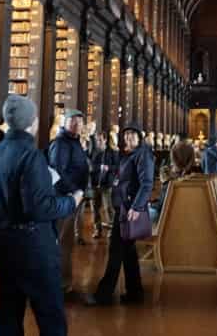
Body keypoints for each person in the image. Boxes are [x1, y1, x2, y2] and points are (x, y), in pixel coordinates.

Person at [0, 95, 83, 336]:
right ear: (33, 123)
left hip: (4, 245)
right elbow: (41, 208)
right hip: (34, 248)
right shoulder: (32, 156)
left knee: (8, 314)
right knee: (50, 317)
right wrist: (71, 201)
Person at [86, 123, 155, 306]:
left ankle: (104, 295)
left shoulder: (142, 155)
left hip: (128, 209)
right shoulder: (128, 154)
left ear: (139, 138)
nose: (128, 138)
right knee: (128, 252)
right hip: (123, 207)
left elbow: (147, 183)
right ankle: (135, 292)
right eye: (127, 135)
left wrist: (136, 207)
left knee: (116, 251)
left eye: (133, 135)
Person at [48, 108, 90, 294]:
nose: (77, 124)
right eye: (73, 121)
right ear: (65, 122)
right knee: (63, 242)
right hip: (64, 198)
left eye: (80, 122)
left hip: (72, 197)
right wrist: (75, 190)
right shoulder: (62, 143)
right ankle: (60, 283)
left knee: (66, 242)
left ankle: (63, 281)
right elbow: (58, 171)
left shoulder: (73, 142)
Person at [90, 132, 119, 239]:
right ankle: (97, 229)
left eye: (100, 140)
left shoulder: (112, 152)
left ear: (105, 140)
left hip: (107, 184)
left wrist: (108, 168)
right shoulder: (95, 151)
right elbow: (92, 165)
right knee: (95, 208)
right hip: (95, 184)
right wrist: (98, 167)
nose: (98, 142)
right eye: (97, 140)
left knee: (108, 208)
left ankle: (112, 230)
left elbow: (117, 167)